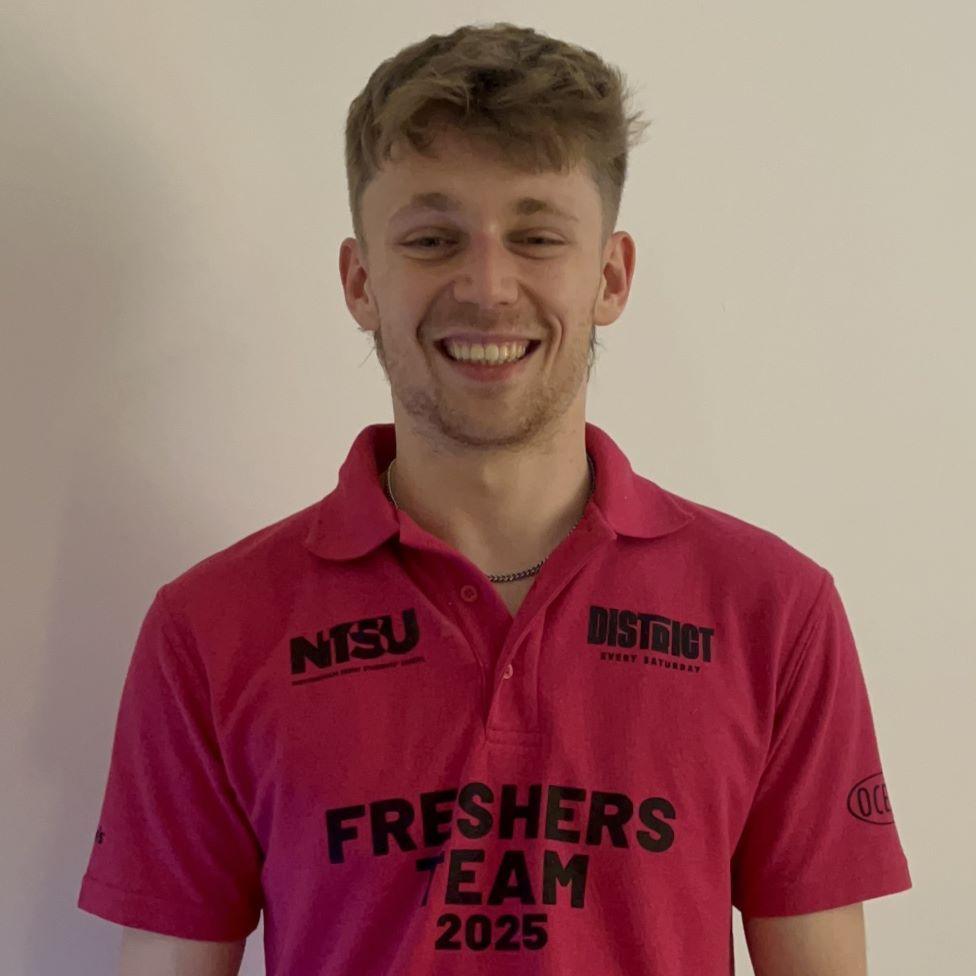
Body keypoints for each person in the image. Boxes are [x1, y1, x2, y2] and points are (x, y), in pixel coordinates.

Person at [77, 22, 912, 976]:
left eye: (537, 236)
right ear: (360, 281)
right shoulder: (210, 630)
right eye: (432, 240)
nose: (487, 285)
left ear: (610, 276)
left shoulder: (774, 610)